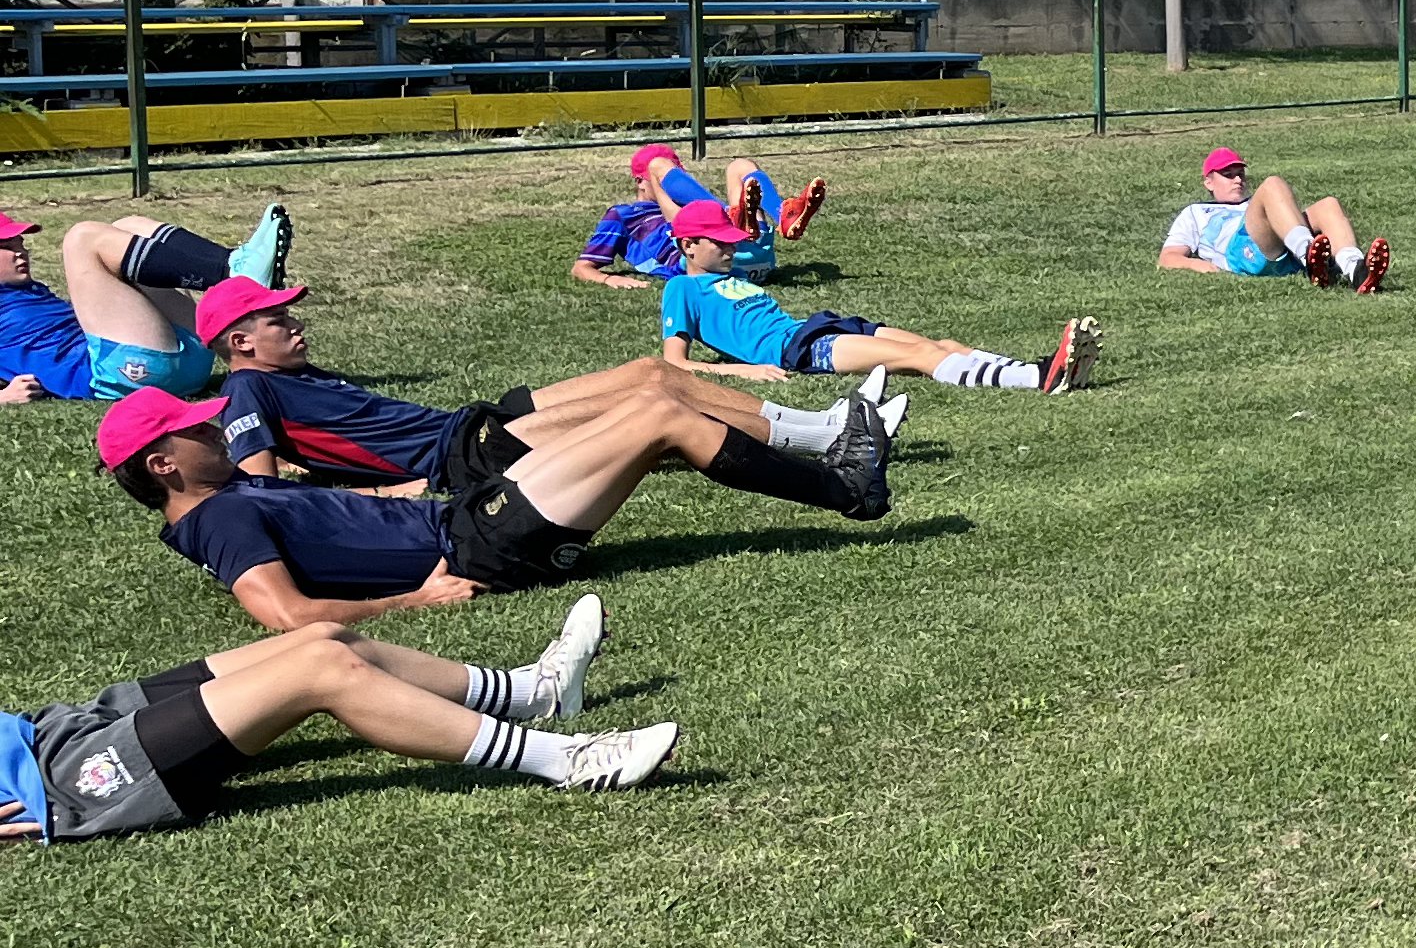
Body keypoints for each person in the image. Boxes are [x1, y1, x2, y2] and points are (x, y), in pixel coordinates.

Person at [103, 369, 891, 632]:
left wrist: (399, 489)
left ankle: (838, 459)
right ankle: (848, 485)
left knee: (648, 410)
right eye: (195, 432)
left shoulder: (230, 494)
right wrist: (414, 599)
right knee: (657, 418)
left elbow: (334, 516)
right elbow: (285, 617)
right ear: (165, 465)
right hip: (476, 545)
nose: (217, 434)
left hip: (459, 509)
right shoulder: (220, 519)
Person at [6, 606, 678, 843]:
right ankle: (566, 760)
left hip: (50, 731)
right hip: (59, 783)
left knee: (326, 637)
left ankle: (536, 692)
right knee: (321, 670)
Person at [204, 276, 899, 496]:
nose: (294, 323)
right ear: (240, 342)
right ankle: (837, 450)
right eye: (277, 319)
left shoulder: (285, 376)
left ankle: (830, 430)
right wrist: (392, 492)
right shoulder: (250, 395)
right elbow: (262, 494)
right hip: (460, 460)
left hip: (466, 426)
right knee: (653, 406)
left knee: (653, 372)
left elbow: (313, 454)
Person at [656, 205, 1098, 390]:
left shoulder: (729, 277)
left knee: (941, 344)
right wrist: (743, 372)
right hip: (799, 348)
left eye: (731, 241)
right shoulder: (681, 288)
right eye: (720, 243)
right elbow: (674, 362)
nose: (731, 248)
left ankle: (1035, 367)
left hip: (815, 325)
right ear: (688, 246)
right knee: (922, 355)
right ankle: (1038, 381)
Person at [0, 201, 294, 403]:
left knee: (129, 225)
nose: (20, 252)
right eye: (6, 247)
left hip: (191, 355)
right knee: (82, 238)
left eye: (21, 244)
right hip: (124, 376)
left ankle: (234, 266)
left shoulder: (27, 291)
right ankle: (234, 275)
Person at [573, 145, 823, 286]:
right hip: (710, 262)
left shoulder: (686, 200)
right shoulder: (623, 215)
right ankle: (730, 216)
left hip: (731, 253)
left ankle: (783, 214)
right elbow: (582, 267)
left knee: (740, 166)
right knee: (658, 164)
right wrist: (609, 279)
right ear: (640, 182)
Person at [1159, 145, 1386, 291]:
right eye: (1228, 175)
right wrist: (1201, 267)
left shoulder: (1252, 203)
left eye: (1240, 174)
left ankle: (1356, 270)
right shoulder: (1196, 212)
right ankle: (1310, 258)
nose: (1237, 180)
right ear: (1208, 182)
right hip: (1242, 249)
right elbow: (1168, 257)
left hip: (1283, 246)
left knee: (1328, 205)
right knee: (1272, 185)